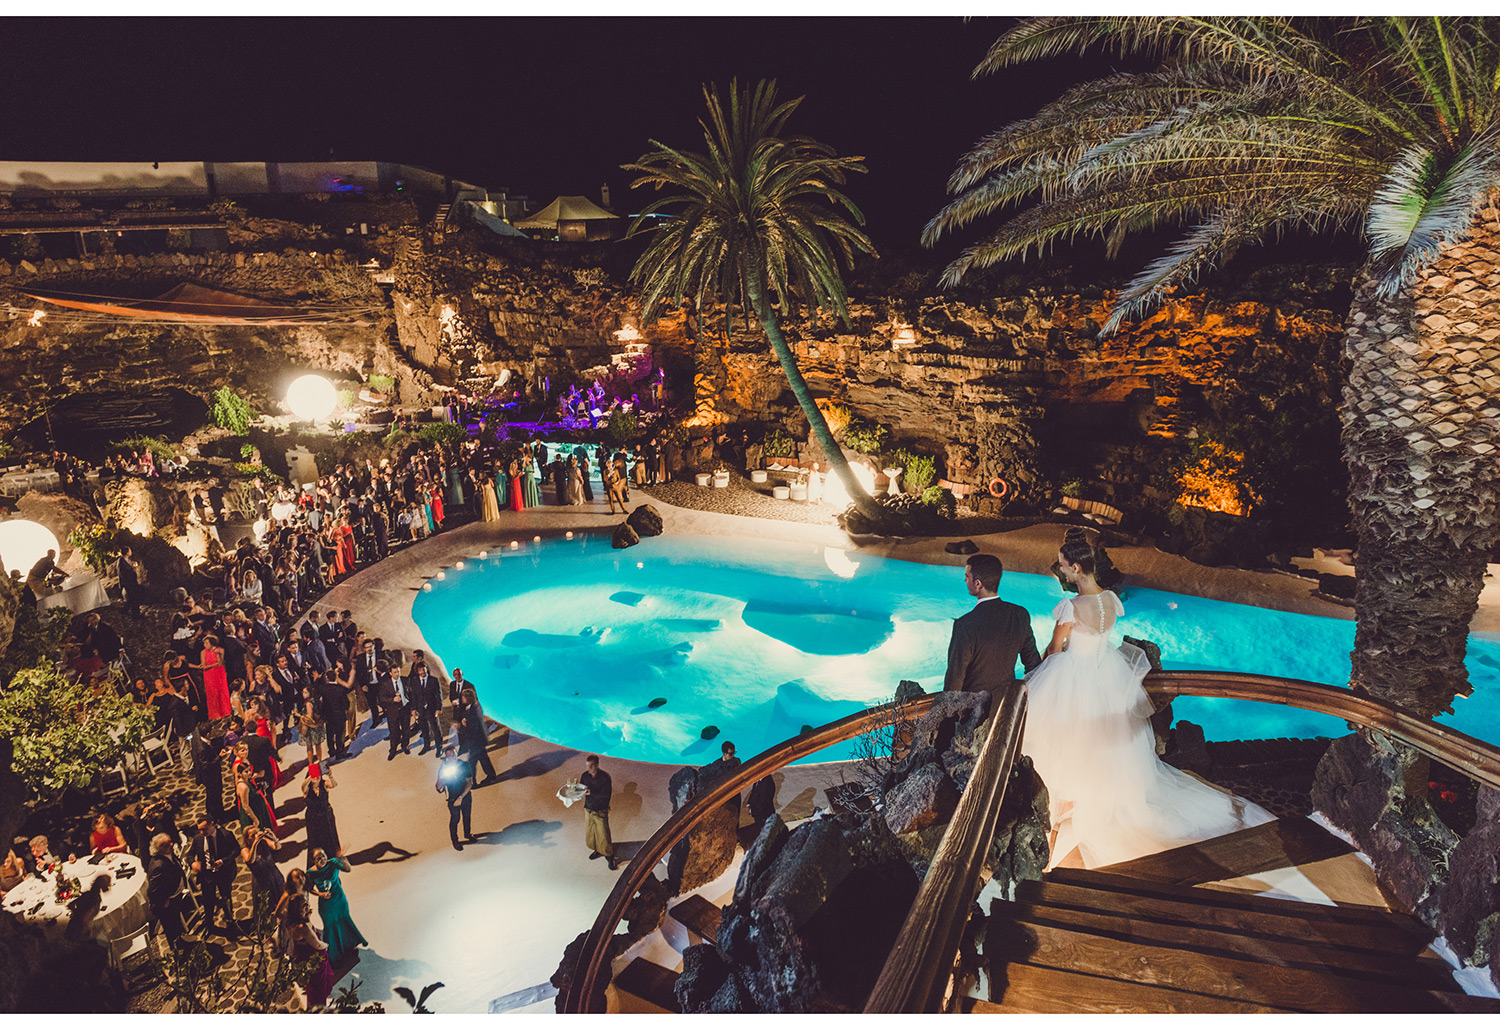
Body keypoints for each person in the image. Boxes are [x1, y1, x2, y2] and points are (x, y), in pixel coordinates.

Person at [1022, 539, 1274, 868]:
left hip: (1075, 672)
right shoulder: (1110, 600)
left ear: (1077, 568)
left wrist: (1039, 672)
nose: (1061, 570)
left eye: (1063, 564)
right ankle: (1095, 795)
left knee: (1065, 734)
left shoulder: (1070, 606)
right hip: (1106, 672)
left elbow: (1055, 648)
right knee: (1102, 741)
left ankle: (1067, 799)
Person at [943, 553, 1042, 699]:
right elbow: (1034, 665)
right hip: (1005, 705)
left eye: (967, 576)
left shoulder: (964, 625)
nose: (965, 580)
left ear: (978, 583)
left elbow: (954, 681)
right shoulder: (1019, 615)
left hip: (971, 712)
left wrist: (945, 718)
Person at [307, 847, 366, 967]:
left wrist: (342, 858)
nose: (322, 859)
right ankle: (334, 956)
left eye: (323, 856)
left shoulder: (333, 863)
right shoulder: (311, 872)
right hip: (326, 905)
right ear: (313, 860)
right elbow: (308, 888)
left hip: (339, 900)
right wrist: (320, 894)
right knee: (330, 928)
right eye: (319, 858)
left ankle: (348, 947)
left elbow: (348, 869)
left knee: (344, 922)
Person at [190, 815, 240, 935]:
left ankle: (230, 921)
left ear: (212, 824)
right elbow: (189, 854)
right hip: (207, 875)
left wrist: (222, 861)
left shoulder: (226, 835)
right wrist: (193, 863)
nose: (202, 832)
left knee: (226, 897)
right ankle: (209, 924)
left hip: (223, 873)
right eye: (200, 830)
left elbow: (236, 850)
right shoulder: (198, 839)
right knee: (208, 901)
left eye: (204, 829)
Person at [285, 893, 336, 1009]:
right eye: (304, 906)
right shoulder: (302, 927)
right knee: (318, 986)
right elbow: (318, 944)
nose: (307, 907)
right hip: (313, 955)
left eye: (306, 903)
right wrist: (327, 945)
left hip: (302, 954)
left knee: (314, 984)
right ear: (296, 909)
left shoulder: (292, 922)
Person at [147, 833, 191, 946]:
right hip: (167, 904)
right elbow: (152, 891)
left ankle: (180, 942)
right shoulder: (158, 866)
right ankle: (178, 952)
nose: (171, 845)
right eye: (166, 845)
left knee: (177, 922)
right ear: (158, 849)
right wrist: (163, 902)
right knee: (171, 929)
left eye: (170, 842)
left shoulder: (168, 854)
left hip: (175, 896)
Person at [580, 754, 617, 871]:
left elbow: (606, 795)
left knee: (603, 833)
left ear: (597, 765)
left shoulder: (605, 778)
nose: (589, 768)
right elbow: (582, 789)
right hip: (589, 808)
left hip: (600, 809)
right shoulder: (585, 776)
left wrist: (592, 793)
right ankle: (597, 850)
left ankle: (609, 856)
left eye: (591, 766)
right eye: (587, 766)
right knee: (592, 832)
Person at [436, 744, 477, 850]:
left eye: (453, 755)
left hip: (465, 796)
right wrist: (442, 778)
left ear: (456, 754)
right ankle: (455, 841)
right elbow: (438, 787)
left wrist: (461, 797)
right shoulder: (443, 769)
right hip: (452, 799)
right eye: (448, 756)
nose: (451, 758)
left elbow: (469, 783)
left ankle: (467, 834)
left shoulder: (464, 765)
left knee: (467, 816)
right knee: (455, 819)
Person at [456, 686, 498, 782]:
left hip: (476, 741)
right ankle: (491, 775)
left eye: (463, 697)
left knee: (472, 761)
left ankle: (472, 782)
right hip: (480, 740)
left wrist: (464, 724)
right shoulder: (475, 705)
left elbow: (473, 727)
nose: (462, 699)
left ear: (468, 698)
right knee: (483, 759)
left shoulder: (474, 710)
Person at [302, 767, 342, 861]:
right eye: (315, 777)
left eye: (318, 776)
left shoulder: (323, 784)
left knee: (330, 835)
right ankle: (318, 858)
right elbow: (302, 786)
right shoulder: (307, 789)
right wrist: (310, 777)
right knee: (315, 838)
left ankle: (333, 856)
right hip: (313, 817)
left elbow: (334, 784)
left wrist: (331, 776)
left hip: (326, 814)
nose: (317, 779)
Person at [192, 634, 234, 722]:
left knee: (222, 691)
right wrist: (214, 664)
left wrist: (215, 662)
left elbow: (221, 663)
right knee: (212, 693)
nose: (205, 645)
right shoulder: (203, 652)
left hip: (220, 673)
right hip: (209, 675)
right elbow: (204, 666)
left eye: (207, 643)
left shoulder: (220, 650)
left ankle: (225, 712)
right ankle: (215, 714)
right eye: (204, 643)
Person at [241, 825, 285, 908]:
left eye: (256, 833)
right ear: (247, 839)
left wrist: (273, 837)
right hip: (262, 883)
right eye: (252, 835)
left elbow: (277, 847)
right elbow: (250, 860)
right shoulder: (245, 850)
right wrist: (255, 843)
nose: (256, 836)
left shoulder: (264, 842)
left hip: (275, 877)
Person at [408, 660, 443, 755]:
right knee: (424, 729)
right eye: (420, 671)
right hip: (420, 710)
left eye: (423, 670)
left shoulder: (434, 680)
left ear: (426, 669)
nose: (422, 672)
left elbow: (438, 695)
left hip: (432, 709)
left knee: (435, 729)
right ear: (417, 671)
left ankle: (439, 747)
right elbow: (414, 696)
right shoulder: (414, 681)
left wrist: (438, 708)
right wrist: (414, 709)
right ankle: (427, 746)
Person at [379, 660, 411, 759]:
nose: (397, 674)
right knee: (393, 731)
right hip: (393, 711)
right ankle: (393, 749)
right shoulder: (385, 684)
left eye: (398, 672)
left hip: (405, 709)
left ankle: (405, 746)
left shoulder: (406, 680)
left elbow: (411, 693)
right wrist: (392, 699)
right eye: (395, 672)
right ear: (390, 673)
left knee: (406, 729)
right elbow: (381, 698)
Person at [116, 543, 142, 616]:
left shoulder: (126, 560)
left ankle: (125, 610)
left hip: (132, 582)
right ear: (127, 552)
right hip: (129, 583)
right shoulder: (121, 561)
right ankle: (136, 614)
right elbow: (123, 573)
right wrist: (133, 569)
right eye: (130, 550)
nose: (131, 551)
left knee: (132, 598)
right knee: (134, 598)